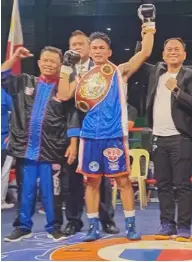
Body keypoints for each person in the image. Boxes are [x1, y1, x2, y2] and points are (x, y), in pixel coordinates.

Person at [57, 25, 155, 241]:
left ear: (109, 52)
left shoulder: (119, 72)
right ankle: (93, 227)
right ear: (89, 51)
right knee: (91, 182)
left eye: (102, 47)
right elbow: (63, 94)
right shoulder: (82, 77)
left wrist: (149, 25)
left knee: (123, 181)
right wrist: (65, 68)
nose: (98, 51)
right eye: (94, 48)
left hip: (114, 136)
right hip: (90, 136)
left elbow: (145, 52)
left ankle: (130, 226)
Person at [1, 46, 80, 242]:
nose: (48, 64)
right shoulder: (24, 82)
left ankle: (54, 227)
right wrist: (14, 57)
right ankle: (22, 226)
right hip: (25, 150)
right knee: (25, 191)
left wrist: (73, 143)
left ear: (60, 65)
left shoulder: (63, 89)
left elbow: (72, 117)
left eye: (53, 61)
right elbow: (2, 75)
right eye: (45, 60)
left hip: (52, 150)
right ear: (38, 63)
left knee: (52, 192)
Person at [135, 37, 192, 241]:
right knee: (163, 184)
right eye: (169, 49)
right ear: (163, 54)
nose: (172, 52)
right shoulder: (156, 71)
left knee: (182, 184)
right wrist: (147, 30)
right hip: (158, 137)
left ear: (184, 55)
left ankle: (183, 227)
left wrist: (176, 89)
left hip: (180, 137)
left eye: (177, 49)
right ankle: (166, 225)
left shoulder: (191, 75)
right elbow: (140, 55)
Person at [60, 30, 119, 236]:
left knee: (101, 178)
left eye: (80, 44)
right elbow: (66, 103)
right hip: (73, 132)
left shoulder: (105, 71)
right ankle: (74, 220)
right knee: (72, 178)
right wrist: (73, 139)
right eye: (72, 44)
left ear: (89, 48)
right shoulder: (68, 71)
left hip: (100, 132)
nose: (76, 47)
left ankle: (106, 220)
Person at [1, 88, 14, 209]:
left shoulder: (4, 93)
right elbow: (17, 112)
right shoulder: (4, 93)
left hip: (3, 140)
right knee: (3, 173)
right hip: (4, 139)